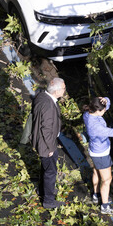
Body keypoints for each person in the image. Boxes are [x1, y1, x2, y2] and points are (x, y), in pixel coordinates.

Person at [31, 77, 66, 209]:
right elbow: (46, 129)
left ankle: (44, 190)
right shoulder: (49, 106)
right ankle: (48, 201)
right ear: (56, 91)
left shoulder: (41, 96)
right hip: (46, 144)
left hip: (44, 141)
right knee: (50, 171)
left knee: (45, 168)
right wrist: (51, 147)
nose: (64, 90)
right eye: (63, 88)